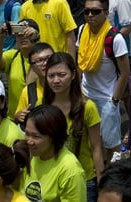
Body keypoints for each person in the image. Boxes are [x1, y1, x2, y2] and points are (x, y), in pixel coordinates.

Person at [43, 52, 105, 202]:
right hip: (51, 177)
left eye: (61, 75)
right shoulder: (43, 105)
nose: (56, 80)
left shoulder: (87, 107)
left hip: (84, 178)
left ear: (72, 75)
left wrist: (101, 184)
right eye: (51, 76)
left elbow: (97, 148)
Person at [77, 0, 130, 155]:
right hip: (86, 96)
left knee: (110, 145)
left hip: (106, 99)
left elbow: (125, 73)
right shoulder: (82, 30)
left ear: (106, 13)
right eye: (87, 11)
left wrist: (114, 101)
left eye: (96, 11)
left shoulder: (115, 38)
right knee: (89, 142)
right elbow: (81, 62)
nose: (90, 15)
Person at [20, 105, 87, 202]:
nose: (29, 141)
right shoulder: (33, 156)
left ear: (53, 136)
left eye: (36, 136)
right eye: (27, 134)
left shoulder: (70, 170)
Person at [0, 18, 41, 119]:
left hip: (39, 116)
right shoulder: (12, 56)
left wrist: (37, 38)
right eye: (19, 34)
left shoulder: (44, 58)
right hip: (14, 117)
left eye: (27, 34)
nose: (23, 37)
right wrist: (0, 37)